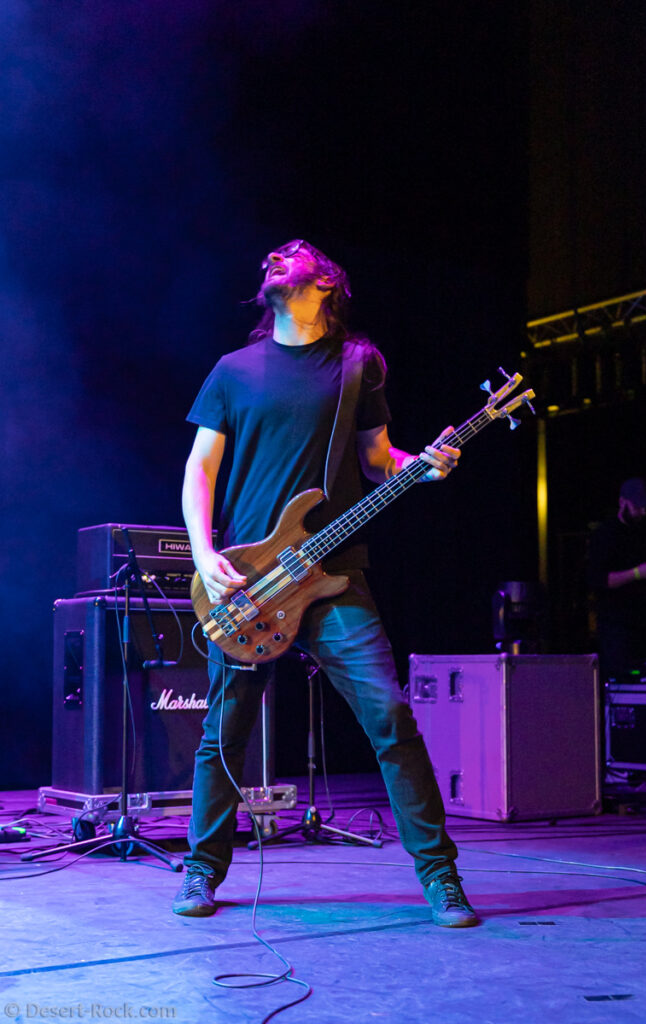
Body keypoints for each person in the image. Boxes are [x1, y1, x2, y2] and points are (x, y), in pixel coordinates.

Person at [173, 238, 479, 928]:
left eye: (294, 253)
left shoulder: (356, 365)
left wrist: (422, 464)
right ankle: (201, 871)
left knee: (389, 716)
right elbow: (199, 469)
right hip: (251, 582)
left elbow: (378, 460)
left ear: (326, 284)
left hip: (334, 575)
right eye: (272, 256)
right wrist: (203, 552)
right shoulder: (233, 370)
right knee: (223, 734)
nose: (275, 255)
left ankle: (440, 877)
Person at [587, 477, 646, 680]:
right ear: (622, 502)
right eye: (637, 507)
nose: (642, 512)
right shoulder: (605, 535)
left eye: (644, 507)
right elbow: (600, 580)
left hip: (645, 624)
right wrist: (637, 573)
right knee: (622, 679)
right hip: (617, 627)